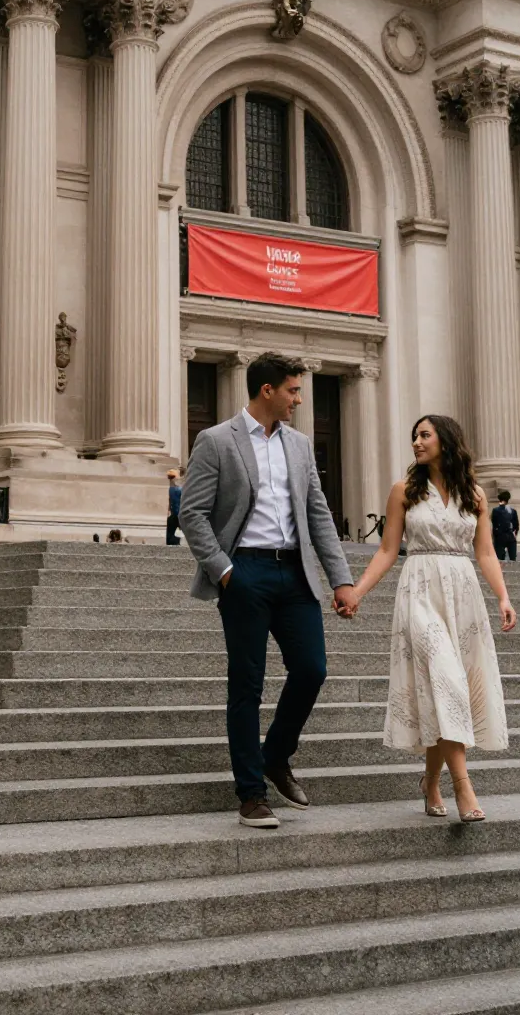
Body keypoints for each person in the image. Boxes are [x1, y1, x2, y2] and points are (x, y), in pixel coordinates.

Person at [179, 351, 353, 829]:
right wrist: (225, 570)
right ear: (267, 390)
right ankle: (251, 794)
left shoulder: (300, 445)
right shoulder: (217, 440)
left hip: (295, 574)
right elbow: (191, 513)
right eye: (293, 390)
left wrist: (340, 578)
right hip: (245, 572)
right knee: (247, 685)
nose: (299, 399)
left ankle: (275, 755)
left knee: (312, 669)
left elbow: (317, 512)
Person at [336, 415, 516, 823]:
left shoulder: (474, 494)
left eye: (424, 435)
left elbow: (486, 552)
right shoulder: (403, 490)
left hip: (463, 594)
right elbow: (387, 551)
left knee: (444, 690)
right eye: (414, 436)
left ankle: (430, 781)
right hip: (419, 591)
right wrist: (357, 592)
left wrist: (503, 597)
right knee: (446, 679)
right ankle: (463, 786)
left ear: (446, 441)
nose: (416, 442)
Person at [490, 489, 519, 562]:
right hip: (510, 536)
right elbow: (516, 525)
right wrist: (514, 533)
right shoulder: (513, 511)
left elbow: (494, 523)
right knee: (513, 559)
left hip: (499, 536)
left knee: (499, 559)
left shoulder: (495, 510)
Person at [166, 469, 183, 546]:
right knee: (175, 531)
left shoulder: (172, 489)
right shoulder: (177, 489)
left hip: (174, 513)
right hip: (177, 512)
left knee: (172, 531)